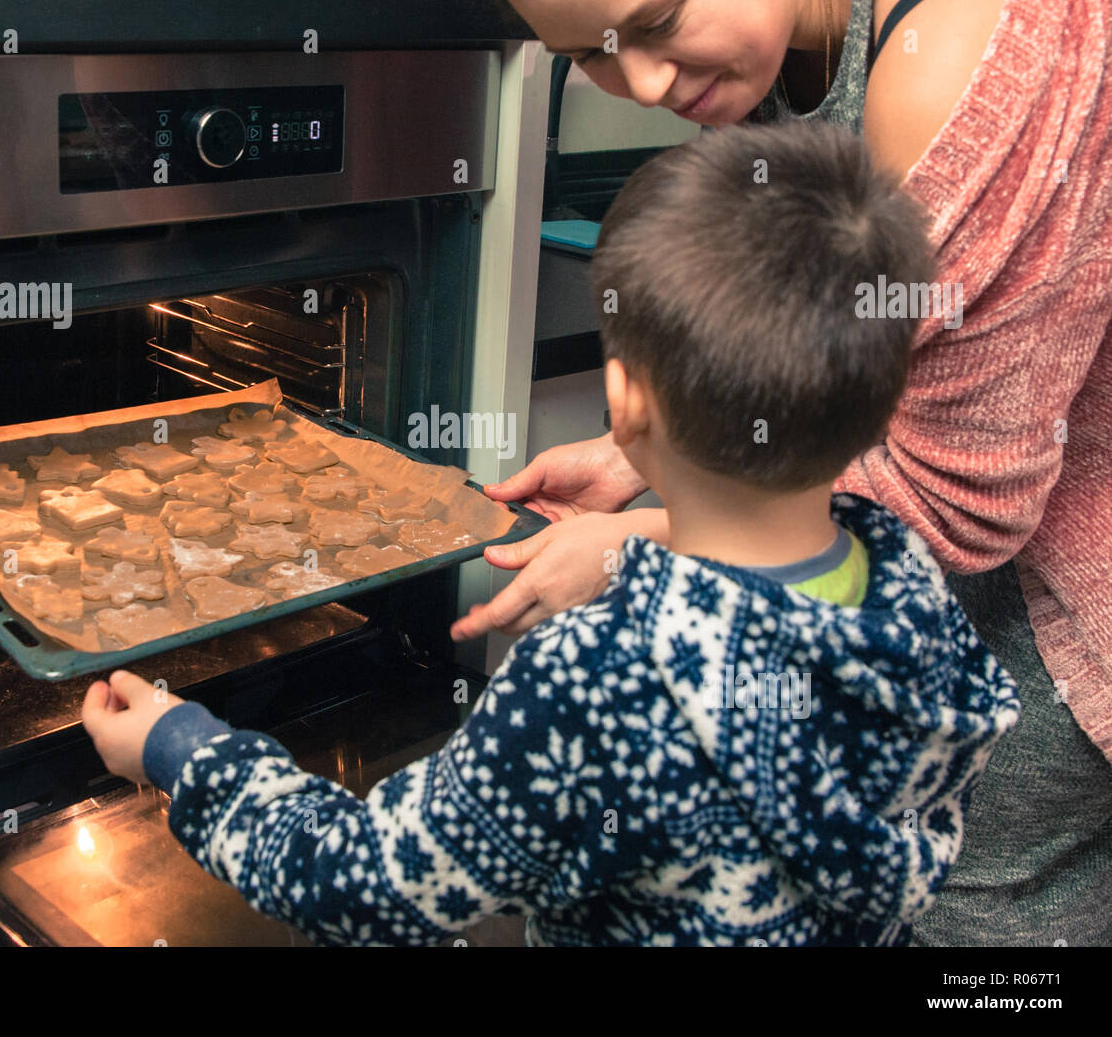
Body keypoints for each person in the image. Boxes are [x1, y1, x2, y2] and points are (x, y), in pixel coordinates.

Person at [82, 122, 1019, 947]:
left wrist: (185, 751)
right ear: (886, 399)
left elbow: (364, 885)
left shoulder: (598, 674)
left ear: (624, 403)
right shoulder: (917, 605)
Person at [449, 0, 1112, 944]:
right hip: (892, 583)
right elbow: (833, 369)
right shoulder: (763, 49)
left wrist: (643, 538)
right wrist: (656, 449)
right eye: (587, 54)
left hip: (1046, 598)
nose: (647, 84)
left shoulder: (960, 46)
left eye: (656, 23)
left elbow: (960, 503)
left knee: (979, 939)